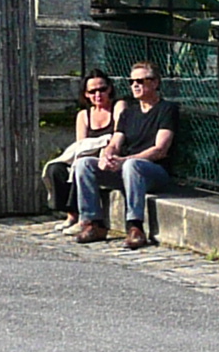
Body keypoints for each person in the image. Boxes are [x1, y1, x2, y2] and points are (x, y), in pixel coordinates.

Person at [77, 61, 180, 248]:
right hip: (126, 169)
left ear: (155, 83)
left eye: (141, 81)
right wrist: (107, 155)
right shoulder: (128, 113)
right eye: (132, 81)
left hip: (155, 172)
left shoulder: (167, 109)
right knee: (84, 164)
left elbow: (160, 149)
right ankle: (94, 223)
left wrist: (124, 161)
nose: (135, 85)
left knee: (132, 166)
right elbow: (116, 142)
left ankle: (135, 227)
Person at [42, 74, 120, 233]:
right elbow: (81, 144)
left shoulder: (118, 107)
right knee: (55, 168)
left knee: (82, 166)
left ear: (110, 89)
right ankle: (70, 214)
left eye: (102, 89)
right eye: (92, 92)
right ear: (86, 94)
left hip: (108, 155)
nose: (98, 95)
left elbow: (119, 136)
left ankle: (79, 216)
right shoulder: (84, 115)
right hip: (88, 153)